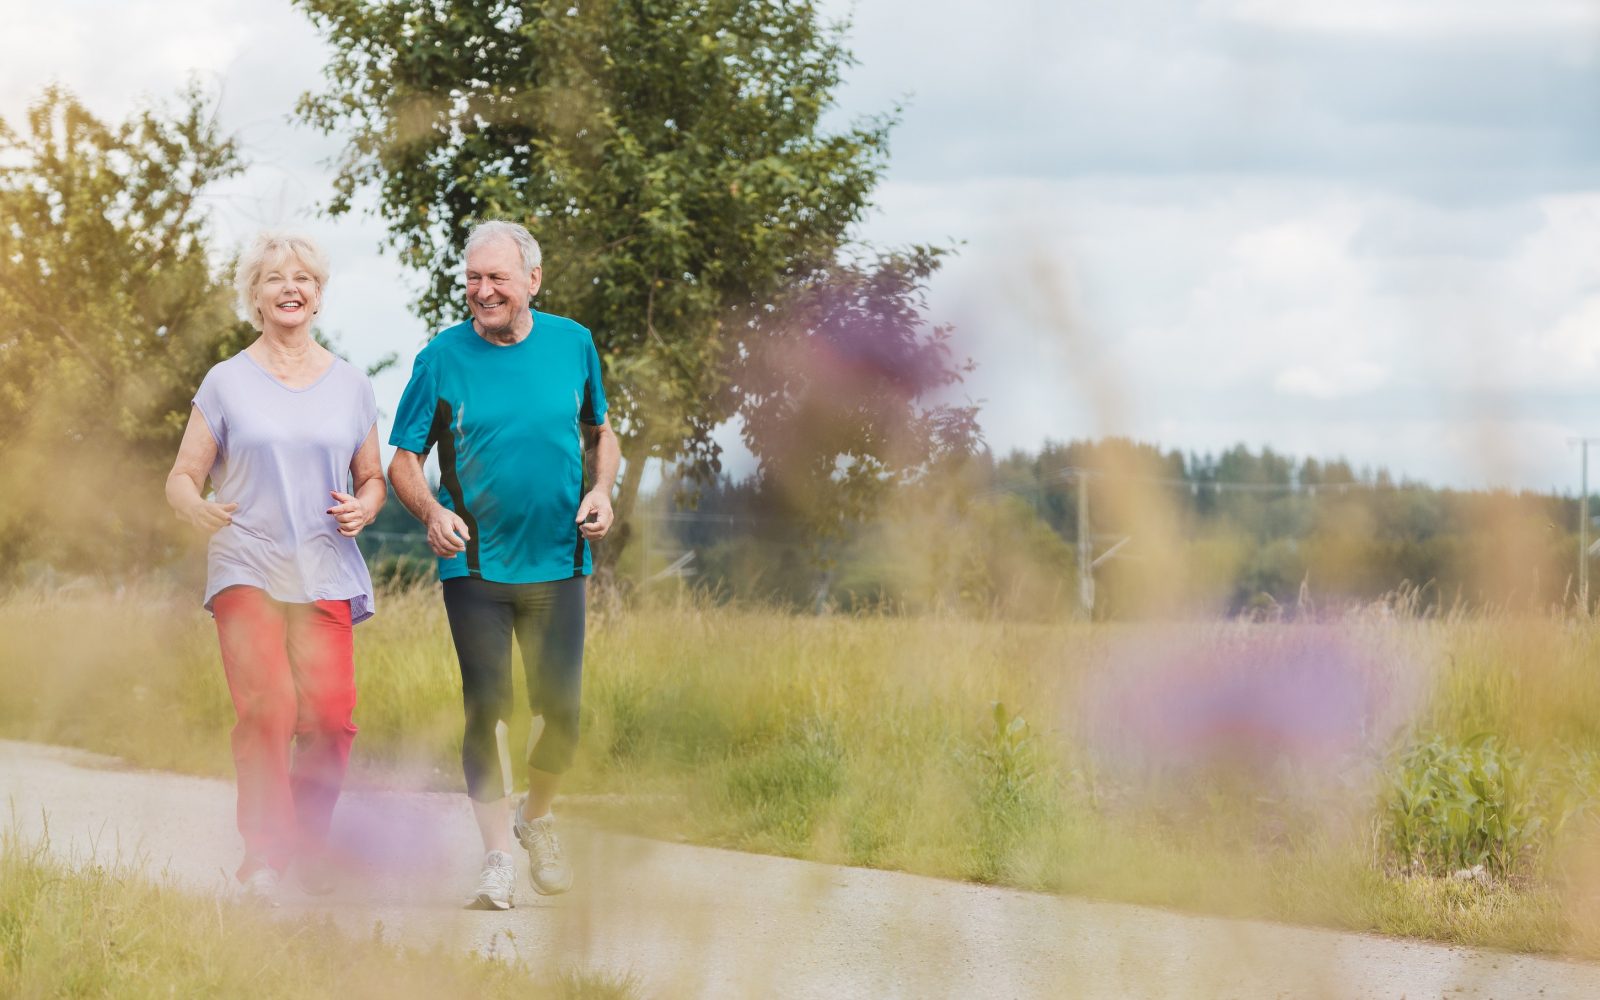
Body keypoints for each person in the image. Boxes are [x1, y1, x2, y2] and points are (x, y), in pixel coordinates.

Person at [388, 220, 619, 910]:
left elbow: (601, 433)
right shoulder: (441, 358)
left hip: (559, 560)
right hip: (476, 565)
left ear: (532, 282)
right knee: (488, 707)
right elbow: (403, 457)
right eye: (473, 279)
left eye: (497, 279)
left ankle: (535, 817)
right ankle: (495, 859)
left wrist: (602, 490)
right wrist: (432, 513)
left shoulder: (574, 344)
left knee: (564, 715)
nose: (483, 291)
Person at [165, 232, 383, 904]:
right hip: (247, 563)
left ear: (318, 296)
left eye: (303, 279)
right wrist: (193, 506)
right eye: (273, 279)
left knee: (332, 716)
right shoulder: (226, 380)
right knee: (269, 707)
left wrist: (366, 508)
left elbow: (371, 476)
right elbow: (181, 475)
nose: (290, 287)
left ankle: (309, 850)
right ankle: (265, 856)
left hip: (322, 566)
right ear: (255, 297)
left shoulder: (351, 384)